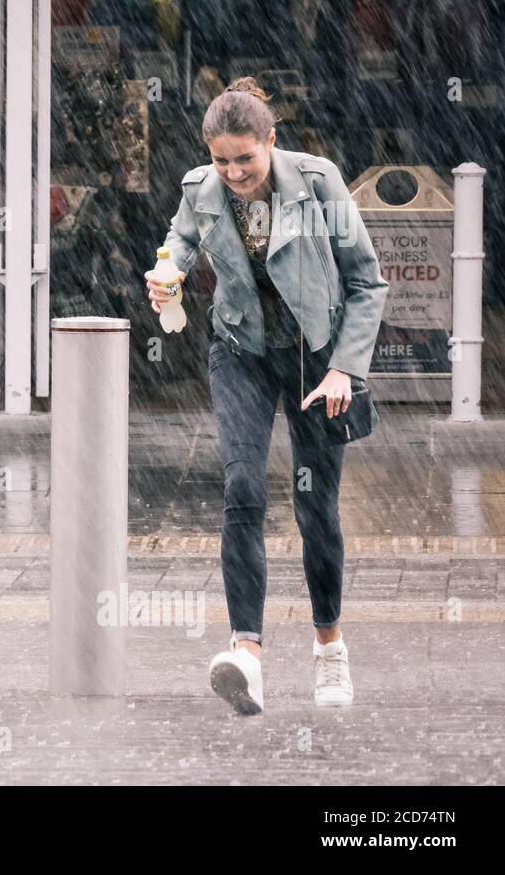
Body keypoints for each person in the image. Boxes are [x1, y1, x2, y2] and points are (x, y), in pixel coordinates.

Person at [145, 77, 388, 715]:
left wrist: (345, 370)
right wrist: (166, 276)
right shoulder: (201, 190)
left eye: (244, 159)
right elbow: (178, 246)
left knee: (316, 507)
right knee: (243, 488)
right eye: (221, 160)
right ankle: (246, 656)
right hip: (241, 352)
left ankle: (329, 648)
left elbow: (368, 282)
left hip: (318, 357)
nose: (233, 172)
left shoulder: (319, 182)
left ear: (270, 143)